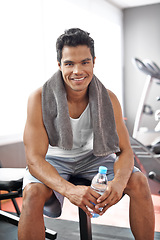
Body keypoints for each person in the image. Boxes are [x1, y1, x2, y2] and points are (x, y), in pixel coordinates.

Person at [18, 28, 155, 240]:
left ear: (93, 61)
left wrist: (118, 183)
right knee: (32, 194)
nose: (77, 71)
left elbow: (125, 151)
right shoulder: (39, 98)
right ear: (59, 65)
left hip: (94, 158)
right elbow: (34, 159)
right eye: (69, 63)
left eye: (84, 62)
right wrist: (70, 190)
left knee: (138, 182)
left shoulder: (109, 98)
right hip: (54, 160)